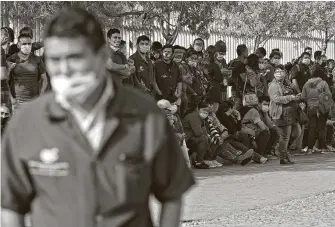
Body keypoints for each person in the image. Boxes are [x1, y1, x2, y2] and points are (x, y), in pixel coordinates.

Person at [1, 8, 195, 227]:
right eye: (55, 59)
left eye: (76, 57)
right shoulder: (27, 122)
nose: (65, 69)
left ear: (102, 56)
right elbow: (11, 205)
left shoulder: (144, 116)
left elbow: (171, 194)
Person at [268, 65, 301, 165]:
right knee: (285, 136)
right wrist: (290, 97)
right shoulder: (273, 85)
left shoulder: (287, 83)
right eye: (277, 72)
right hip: (280, 113)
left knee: (296, 132)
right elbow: (276, 99)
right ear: (274, 74)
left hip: (290, 113)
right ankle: (283, 157)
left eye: (282, 71)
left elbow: (293, 93)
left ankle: (282, 150)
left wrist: (296, 97)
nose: (279, 74)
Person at [7, 33, 48, 111]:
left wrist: (40, 97)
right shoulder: (12, 59)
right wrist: (12, 100)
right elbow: (4, 81)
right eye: (24, 44)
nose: (27, 46)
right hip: (17, 102)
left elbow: (45, 80)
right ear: (18, 45)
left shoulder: (37, 60)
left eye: (29, 44)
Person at [301, 62, 333, 154]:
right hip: (321, 108)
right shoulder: (323, 83)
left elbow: (303, 97)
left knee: (312, 128)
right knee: (321, 128)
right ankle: (323, 148)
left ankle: (310, 149)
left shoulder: (306, 83)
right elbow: (329, 95)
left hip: (310, 108)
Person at [157, 99, 191, 168]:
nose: (169, 111)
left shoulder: (174, 116)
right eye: (167, 110)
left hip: (179, 138)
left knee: (185, 158)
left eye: (169, 110)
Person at [229, 44, 248, 110]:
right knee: (239, 108)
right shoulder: (241, 64)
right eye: (247, 51)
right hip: (240, 90)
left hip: (233, 89)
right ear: (243, 52)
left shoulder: (232, 62)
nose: (248, 53)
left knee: (235, 106)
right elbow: (244, 79)